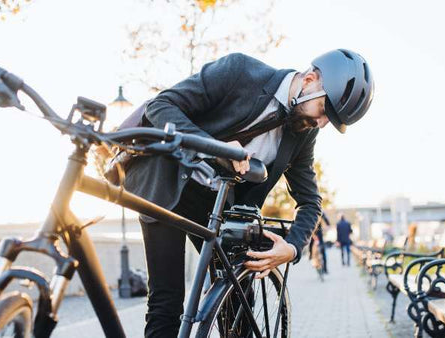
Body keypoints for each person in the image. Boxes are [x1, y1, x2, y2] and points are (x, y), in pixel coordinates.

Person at [122, 50, 374, 337]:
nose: (322, 123)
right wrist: (215, 148)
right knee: (165, 304)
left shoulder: (304, 132)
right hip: (169, 186)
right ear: (310, 80)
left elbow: (310, 201)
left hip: (222, 208)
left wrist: (291, 248)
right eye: (324, 110)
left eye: (331, 120)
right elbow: (160, 106)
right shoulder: (239, 71)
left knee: (238, 308)